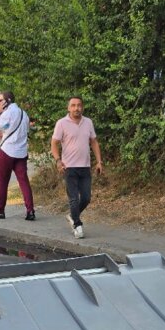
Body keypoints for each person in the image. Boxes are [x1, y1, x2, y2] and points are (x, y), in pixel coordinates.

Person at [52, 96, 103, 238]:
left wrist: (99, 161)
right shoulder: (61, 123)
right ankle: (77, 225)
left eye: (79, 105)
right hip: (69, 167)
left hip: (85, 167)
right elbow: (54, 143)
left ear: (83, 107)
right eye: (73, 105)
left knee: (86, 198)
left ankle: (72, 215)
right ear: (68, 108)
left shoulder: (88, 122)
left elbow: (94, 142)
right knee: (73, 199)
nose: (76, 108)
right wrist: (58, 161)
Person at [0, 91, 35, 220]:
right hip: (21, 152)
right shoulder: (24, 114)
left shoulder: (7, 113)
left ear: (7, 101)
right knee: (24, 181)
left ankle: (0, 211)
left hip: (7, 152)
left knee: (2, 182)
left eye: (1, 100)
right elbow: (23, 131)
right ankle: (30, 210)